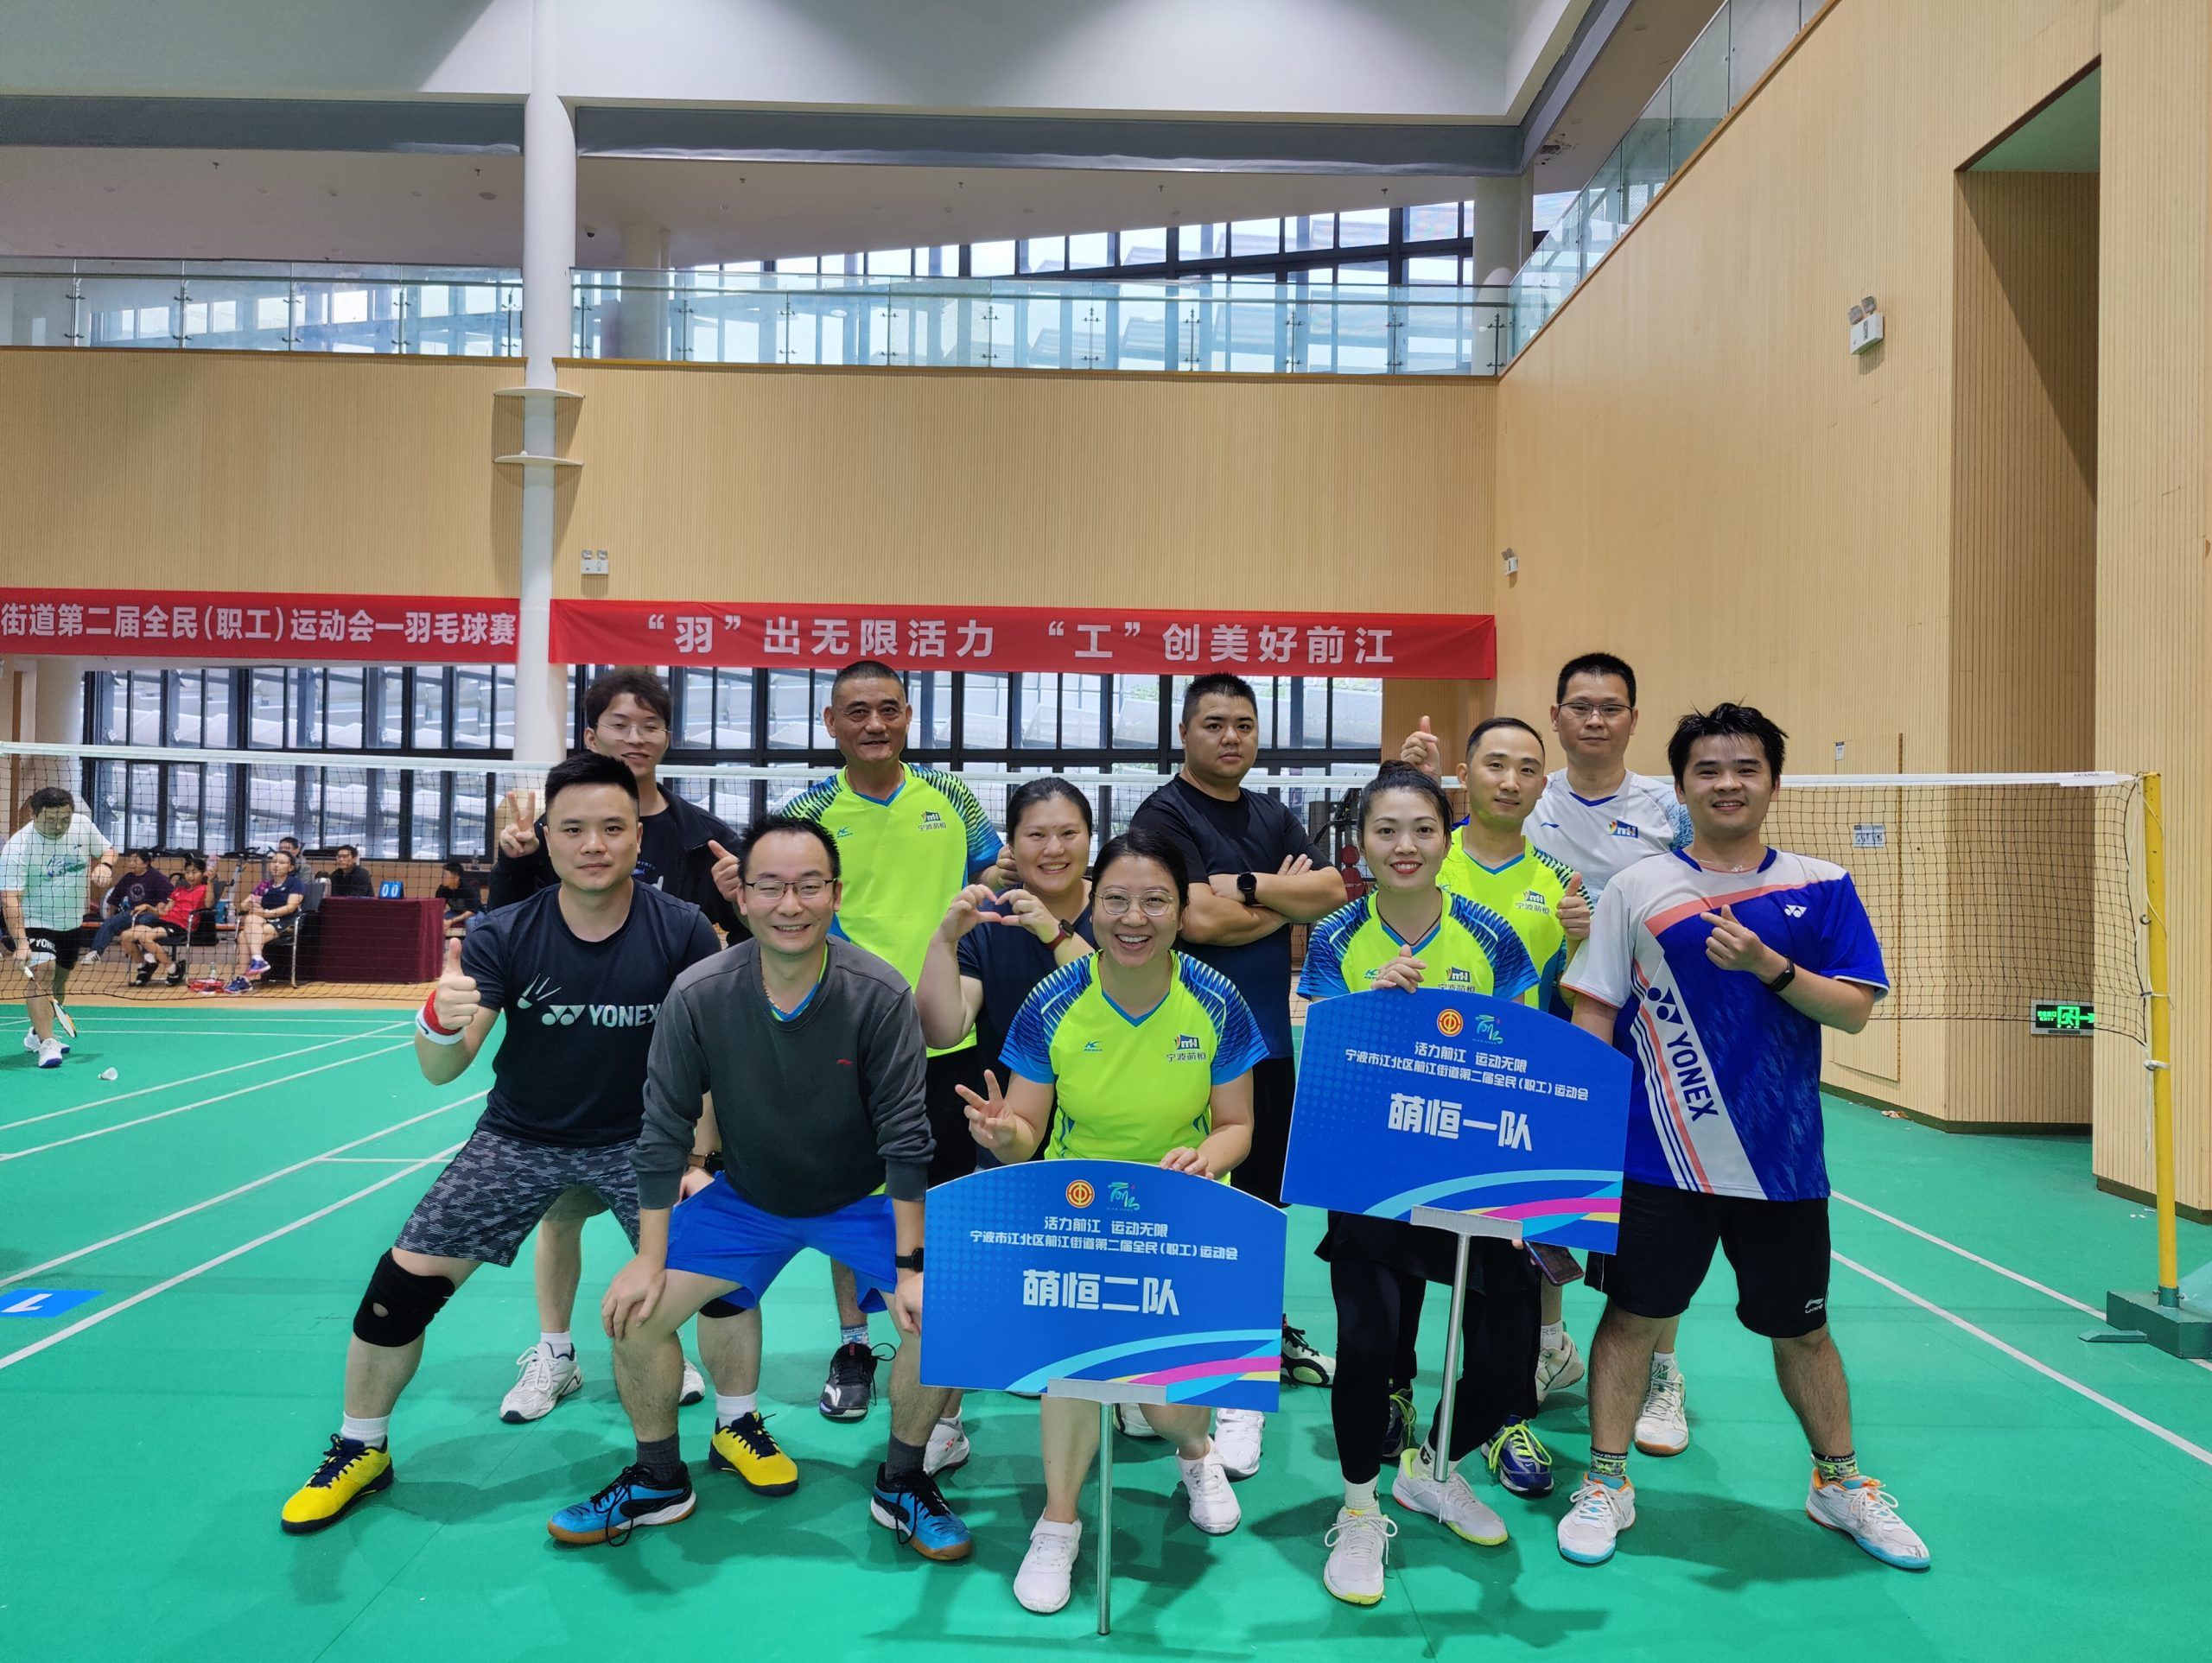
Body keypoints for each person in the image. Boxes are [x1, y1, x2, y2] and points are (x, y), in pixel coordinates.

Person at [278, 752, 728, 1535]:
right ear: (547, 838)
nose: (594, 844)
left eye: (612, 827)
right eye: (574, 828)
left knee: (719, 1287)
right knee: (397, 1290)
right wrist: (436, 1019)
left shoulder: (683, 927)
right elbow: (444, 1068)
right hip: (520, 1135)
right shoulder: (504, 931)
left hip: (645, 1139)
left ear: (637, 836)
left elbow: (712, 1058)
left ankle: (714, 1437)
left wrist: (701, 1162)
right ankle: (361, 1447)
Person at [1554, 704, 1928, 1572]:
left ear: (1773, 781)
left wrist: (1769, 964)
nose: (1727, 783)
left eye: (1745, 768)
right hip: (1658, 1156)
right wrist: (1579, 1140)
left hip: (1780, 1161)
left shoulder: (1822, 884)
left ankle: (1838, 1482)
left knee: (1804, 1331)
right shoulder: (1637, 888)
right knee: (1632, 1319)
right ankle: (1606, 1480)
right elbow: (1595, 1011)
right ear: (1682, 787)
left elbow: (1854, 1009)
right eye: (1709, 770)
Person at [549, 816, 973, 1561]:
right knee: (634, 1315)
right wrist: (648, 1258)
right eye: (770, 886)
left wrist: (911, 1269)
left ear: (836, 894)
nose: (791, 904)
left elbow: (908, 1142)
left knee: (944, 1311)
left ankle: (904, 1480)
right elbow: (663, 1131)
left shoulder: (879, 993)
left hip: (862, 1199)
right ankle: (658, 1478)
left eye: (810, 885)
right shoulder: (699, 992)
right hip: (746, 1201)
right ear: (741, 897)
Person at [960, 828, 1263, 1615]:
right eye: (1118, 900)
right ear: (1092, 907)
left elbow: (1238, 1124)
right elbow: (1026, 1130)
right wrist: (1002, 1133)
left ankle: (1195, 1449)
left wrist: (1207, 1155)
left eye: (1155, 900)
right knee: (1075, 1369)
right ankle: (1058, 1522)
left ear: (1182, 911)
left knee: (1163, 1404)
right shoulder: (1053, 1000)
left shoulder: (1217, 999)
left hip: (1183, 1211)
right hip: (1079, 1214)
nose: (1135, 917)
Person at [1401, 651, 1695, 1453]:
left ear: (1633, 718)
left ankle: (1662, 1367)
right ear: (1557, 717)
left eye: (1611, 706)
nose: (1595, 719)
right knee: (1541, 1199)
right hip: (1555, 1013)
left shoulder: (1669, 807)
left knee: (1653, 1202)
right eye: (1580, 706)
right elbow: (1420, 843)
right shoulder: (1529, 796)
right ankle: (1546, 1345)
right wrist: (1420, 779)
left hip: (1653, 1024)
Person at [1294, 766, 1543, 1607]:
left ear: (1447, 837)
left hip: (1472, 1170)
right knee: (1367, 1345)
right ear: (1361, 843)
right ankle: (1360, 1507)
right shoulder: (1336, 935)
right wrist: (1370, 1006)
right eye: (1386, 830)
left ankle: (1433, 1468)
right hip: (1369, 1171)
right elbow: (1326, 1064)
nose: (1405, 846)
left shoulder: (1490, 934)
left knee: (1509, 1359)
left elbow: (1522, 1051)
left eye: (1423, 829)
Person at [491, 667, 746, 1415]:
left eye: (650, 724)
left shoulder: (703, 836)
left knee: (681, 1213)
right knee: (560, 1214)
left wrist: (742, 901)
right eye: (619, 723)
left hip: (674, 1073)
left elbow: (736, 950)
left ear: (668, 735)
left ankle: (665, 1340)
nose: (635, 737)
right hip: (571, 1062)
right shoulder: (548, 824)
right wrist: (512, 859)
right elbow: (506, 933)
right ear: (591, 734)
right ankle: (556, 1351)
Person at [1128, 673, 1346, 1476]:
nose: (1231, 737)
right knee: (1183, 1208)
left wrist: (1249, 886)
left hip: (1269, 1047)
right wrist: (1284, 899)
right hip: (1186, 1048)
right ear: (1185, 732)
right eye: (1214, 723)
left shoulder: (1271, 812)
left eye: (1244, 724)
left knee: (1259, 1213)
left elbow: (1332, 890)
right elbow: (1195, 918)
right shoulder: (1163, 816)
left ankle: (1245, 1373)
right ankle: (1161, 1362)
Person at [776, 660, 1005, 1425]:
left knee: (944, 1199)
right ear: (830, 722)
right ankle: (854, 1343)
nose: (874, 724)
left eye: (888, 709)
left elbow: (990, 875)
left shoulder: (952, 797)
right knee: (853, 1199)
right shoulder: (809, 810)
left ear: (908, 715)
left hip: (946, 1037)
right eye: (856, 711)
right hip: (848, 1036)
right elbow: (795, 906)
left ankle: (944, 1342)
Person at [912, 776, 1096, 1475]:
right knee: (972, 1277)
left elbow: (1108, 998)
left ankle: (1130, 1392)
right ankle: (946, 1419)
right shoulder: (989, 925)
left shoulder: (1118, 907)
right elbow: (944, 1025)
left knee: (1103, 1276)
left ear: (1090, 839)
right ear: (1012, 846)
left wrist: (1054, 931)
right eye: (1036, 834)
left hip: (1108, 1133)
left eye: (1068, 832)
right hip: (1010, 1126)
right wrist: (943, 940)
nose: (1053, 848)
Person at [1, 786, 116, 1069]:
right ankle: (48, 1043)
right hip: (35, 920)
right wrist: (22, 943)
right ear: (33, 814)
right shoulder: (18, 847)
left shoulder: (82, 826)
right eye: (50, 819)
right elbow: (10, 898)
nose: (58, 826)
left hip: (71, 921)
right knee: (43, 972)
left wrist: (106, 865)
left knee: (59, 982)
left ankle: (36, 1034)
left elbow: (108, 850)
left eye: (64, 819)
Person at [217, 847, 304, 994]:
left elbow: (291, 907)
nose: (276, 865)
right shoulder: (265, 885)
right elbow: (244, 904)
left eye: (281, 862)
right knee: (251, 918)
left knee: (243, 936)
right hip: (263, 920)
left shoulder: (294, 883)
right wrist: (250, 905)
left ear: (291, 867)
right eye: (274, 861)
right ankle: (257, 960)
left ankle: (244, 978)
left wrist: (266, 913)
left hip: (286, 921)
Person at [122, 854, 210, 987]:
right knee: (125, 936)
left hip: (181, 926)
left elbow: (209, 904)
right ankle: (145, 966)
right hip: (164, 921)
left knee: (145, 938)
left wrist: (211, 882)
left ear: (203, 874)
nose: (190, 876)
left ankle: (174, 969)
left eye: (194, 872)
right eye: (187, 872)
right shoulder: (179, 890)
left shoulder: (205, 889)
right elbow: (164, 912)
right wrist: (148, 907)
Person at [83, 848, 170, 962]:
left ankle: (148, 953)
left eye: (135, 861)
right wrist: (110, 917)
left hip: (151, 913)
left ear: (146, 863)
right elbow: (114, 899)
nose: (131, 864)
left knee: (146, 921)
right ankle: (95, 953)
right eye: (130, 861)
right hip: (132, 913)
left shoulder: (157, 877)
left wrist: (157, 911)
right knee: (109, 923)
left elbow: (167, 897)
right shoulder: (128, 878)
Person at [436, 860, 481, 940]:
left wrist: (451, 921)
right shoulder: (442, 889)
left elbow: (471, 912)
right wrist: (442, 919)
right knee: (437, 920)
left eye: (446, 875)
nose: (443, 877)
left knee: (471, 922)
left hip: (475, 913)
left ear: (456, 878)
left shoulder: (467, 889)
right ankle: (439, 947)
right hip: (455, 912)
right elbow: (439, 908)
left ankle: (470, 946)